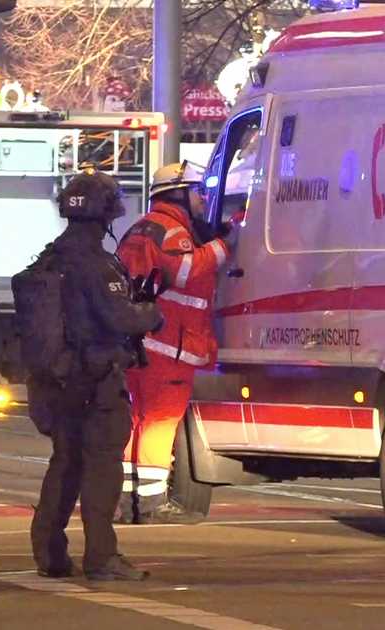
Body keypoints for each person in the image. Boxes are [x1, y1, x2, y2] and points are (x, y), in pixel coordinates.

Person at [26, 169, 164, 581]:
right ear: (107, 213)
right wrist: (151, 313)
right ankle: (102, 557)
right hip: (97, 381)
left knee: (64, 463)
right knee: (103, 467)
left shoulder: (50, 258)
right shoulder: (98, 265)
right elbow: (119, 317)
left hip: (58, 380)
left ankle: (50, 553)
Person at [115, 161, 232, 525]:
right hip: (169, 346)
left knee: (137, 421)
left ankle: (128, 501)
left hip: (142, 344)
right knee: (160, 422)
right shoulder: (172, 231)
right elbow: (183, 271)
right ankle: (152, 504)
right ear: (178, 193)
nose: (203, 200)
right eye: (197, 192)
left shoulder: (142, 227)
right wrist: (221, 247)